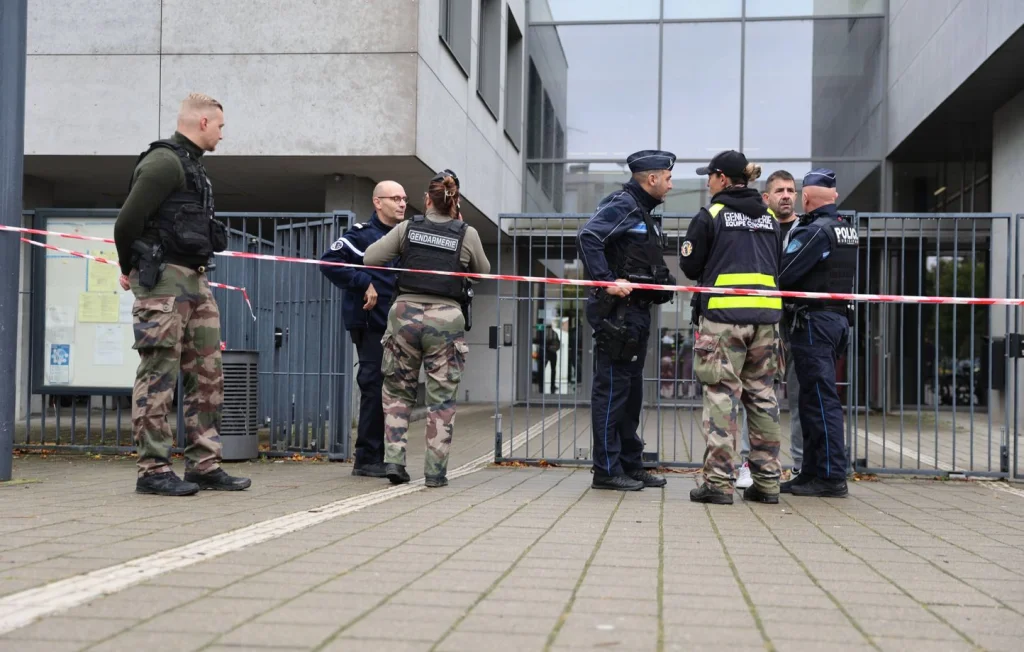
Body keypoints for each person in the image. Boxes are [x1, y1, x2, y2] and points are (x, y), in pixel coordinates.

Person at [114, 92, 250, 496]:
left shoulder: (194, 167)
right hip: (165, 283)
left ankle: (203, 464)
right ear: (203, 123)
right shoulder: (163, 162)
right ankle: (153, 470)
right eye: (221, 127)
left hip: (197, 280)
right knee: (159, 376)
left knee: (208, 376)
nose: (223, 135)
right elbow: (126, 223)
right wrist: (129, 268)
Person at [362, 170, 490, 487]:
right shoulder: (466, 233)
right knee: (441, 398)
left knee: (396, 391)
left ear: (426, 200)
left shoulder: (408, 228)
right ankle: (435, 472)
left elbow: (370, 258)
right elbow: (483, 272)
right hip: (446, 317)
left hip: (404, 315)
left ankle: (394, 462)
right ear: (455, 201)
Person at [679, 150, 783, 505]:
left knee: (721, 396)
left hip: (724, 320)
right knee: (762, 397)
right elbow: (777, 263)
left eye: (709, 176)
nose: (707, 182)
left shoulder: (712, 215)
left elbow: (690, 267)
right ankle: (768, 484)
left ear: (722, 178)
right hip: (767, 321)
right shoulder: (770, 217)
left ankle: (719, 484)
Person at [577, 149, 676, 491]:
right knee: (613, 392)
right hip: (618, 316)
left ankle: (630, 464)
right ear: (651, 179)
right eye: (668, 178)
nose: (671, 185)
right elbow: (588, 236)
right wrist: (606, 280)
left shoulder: (643, 212)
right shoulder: (624, 204)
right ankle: (606, 470)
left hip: (635, 313)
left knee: (631, 394)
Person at [319, 180, 408, 478]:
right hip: (371, 324)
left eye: (404, 198)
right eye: (395, 198)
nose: (401, 204)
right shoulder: (360, 236)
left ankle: (385, 455)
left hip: (400, 325)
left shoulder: (405, 238)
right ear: (377, 202)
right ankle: (367, 458)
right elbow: (329, 263)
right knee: (372, 386)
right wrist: (363, 282)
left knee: (394, 390)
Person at [778, 169, 858, 498]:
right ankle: (810, 472)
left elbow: (786, 272)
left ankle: (830, 476)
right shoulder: (844, 229)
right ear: (834, 196)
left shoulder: (815, 230)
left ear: (806, 199)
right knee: (812, 400)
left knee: (821, 401)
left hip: (815, 322)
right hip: (834, 321)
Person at [761, 169, 804, 477]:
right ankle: (758, 465)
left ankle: (802, 465)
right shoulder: (758, 230)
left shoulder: (807, 230)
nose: (787, 195)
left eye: (791, 190)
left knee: (801, 399)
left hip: (798, 323)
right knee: (759, 396)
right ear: (767, 197)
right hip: (764, 323)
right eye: (780, 190)